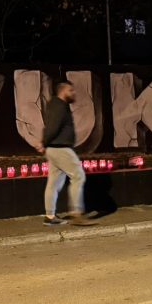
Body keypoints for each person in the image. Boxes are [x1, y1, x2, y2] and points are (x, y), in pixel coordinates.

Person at [37, 81, 95, 226]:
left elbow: (50, 126)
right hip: (60, 148)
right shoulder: (60, 106)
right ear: (63, 91)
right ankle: (76, 214)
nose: (73, 93)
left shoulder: (55, 105)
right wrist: (43, 142)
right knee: (78, 176)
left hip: (54, 148)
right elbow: (53, 126)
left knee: (54, 182)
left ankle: (50, 216)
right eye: (71, 90)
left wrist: (45, 143)